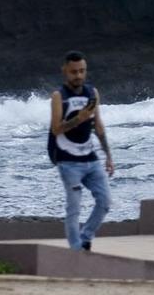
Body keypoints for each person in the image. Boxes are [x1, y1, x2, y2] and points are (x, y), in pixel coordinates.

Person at [48, 51, 114, 251]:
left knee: (105, 202)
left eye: (82, 71)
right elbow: (56, 128)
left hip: (91, 158)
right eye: (74, 72)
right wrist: (80, 118)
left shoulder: (92, 93)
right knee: (74, 208)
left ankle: (86, 237)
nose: (78, 76)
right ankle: (76, 250)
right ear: (65, 71)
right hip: (68, 161)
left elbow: (99, 126)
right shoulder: (59, 96)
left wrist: (108, 156)